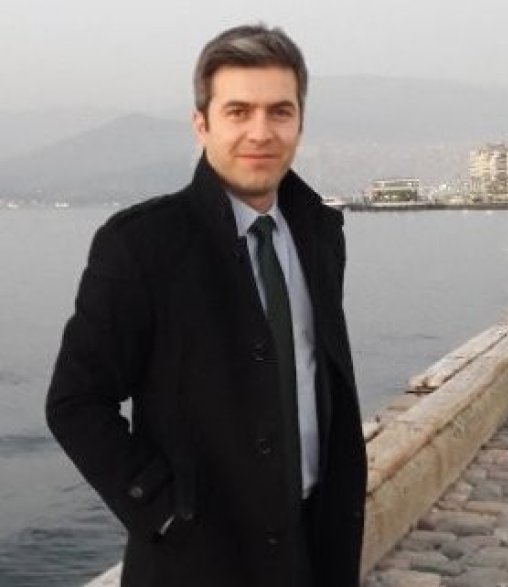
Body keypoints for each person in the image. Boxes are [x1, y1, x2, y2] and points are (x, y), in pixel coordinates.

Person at [46, 24, 367, 587]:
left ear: (299, 123)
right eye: (238, 111)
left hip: (313, 547)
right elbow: (75, 401)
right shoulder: (143, 245)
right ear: (202, 124)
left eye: (280, 112)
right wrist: (164, 512)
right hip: (195, 561)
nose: (260, 132)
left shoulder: (320, 233)